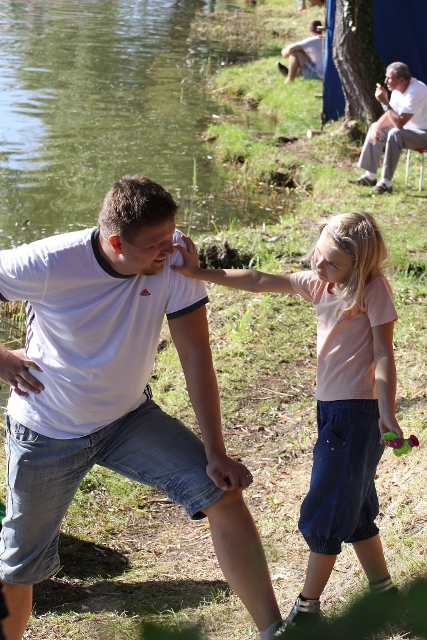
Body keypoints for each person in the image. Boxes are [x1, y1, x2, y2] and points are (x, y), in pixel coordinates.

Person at [0, 175, 284, 640]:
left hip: (127, 420)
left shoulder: (174, 257)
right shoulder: (49, 263)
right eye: (155, 244)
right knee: (18, 569)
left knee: (223, 493)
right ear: (115, 242)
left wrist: (216, 452)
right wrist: (2, 359)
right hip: (47, 430)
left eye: (171, 236)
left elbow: (195, 355)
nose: (169, 251)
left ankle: (275, 631)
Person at [172, 212, 402, 636]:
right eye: (320, 254)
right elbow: (258, 279)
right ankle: (385, 594)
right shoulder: (320, 284)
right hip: (332, 412)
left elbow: (383, 353)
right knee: (354, 504)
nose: (320, 265)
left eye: (334, 263)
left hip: (356, 414)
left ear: (359, 266)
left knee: (327, 509)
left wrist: (386, 412)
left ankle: (307, 610)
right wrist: (198, 272)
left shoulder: (371, 289)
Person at [349, 62, 427, 195]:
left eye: (389, 78)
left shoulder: (416, 91)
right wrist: (377, 127)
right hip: (409, 129)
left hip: (423, 133)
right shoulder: (397, 90)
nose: (385, 81)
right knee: (376, 127)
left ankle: (386, 182)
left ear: (401, 79)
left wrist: (384, 102)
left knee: (395, 133)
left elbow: (399, 123)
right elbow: (391, 114)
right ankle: (370, 176)